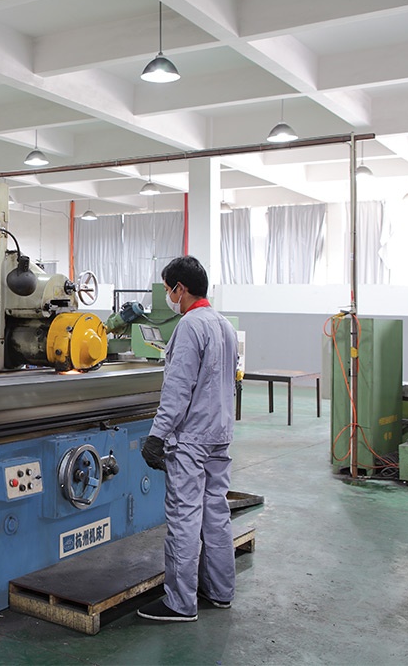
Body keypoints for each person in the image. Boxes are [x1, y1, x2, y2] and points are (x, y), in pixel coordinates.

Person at [137, 255, 239, 622]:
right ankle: (220, 590)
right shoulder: (224, 325)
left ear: (180, 289)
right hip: (219, 434)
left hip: (191, 438)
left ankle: (180, 603)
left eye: (168, 289)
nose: (168, 296)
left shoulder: (190, 326)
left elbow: (178, 390)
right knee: (216, 512)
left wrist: (157, 435)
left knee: (184, 516)